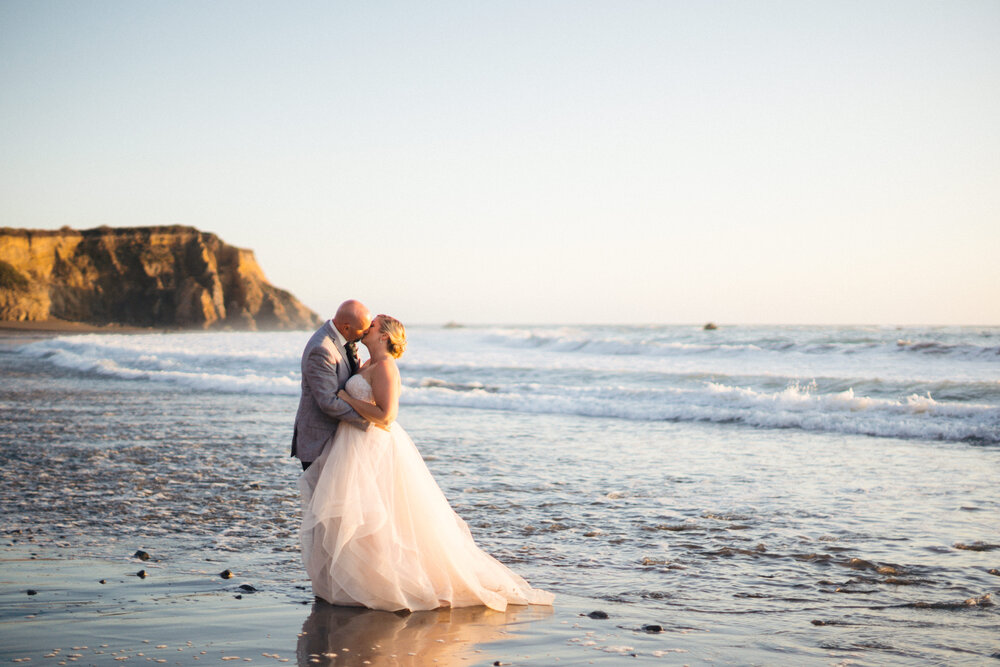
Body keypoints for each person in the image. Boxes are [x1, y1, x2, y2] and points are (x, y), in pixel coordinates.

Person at [299, 314, 554, 612]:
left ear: (383, 336)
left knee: (379, 518)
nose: (367, 327)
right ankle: (358, 580)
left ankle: (385, 583)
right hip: (353, 445)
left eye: (374, 325)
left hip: (372, 447)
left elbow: (386, 416)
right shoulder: (366, 363)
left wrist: (345, 397)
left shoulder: (385, 368)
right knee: (359, 516)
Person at [292, 300, 372, 471]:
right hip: (319, 441)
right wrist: (368, 422)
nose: (365, 333)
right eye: (362, 329)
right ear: (346, 327)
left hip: (339, 440)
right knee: (322, 498)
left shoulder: (345, 340)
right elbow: (328, 401)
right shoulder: (322, 350)